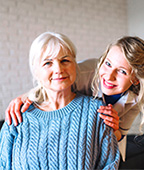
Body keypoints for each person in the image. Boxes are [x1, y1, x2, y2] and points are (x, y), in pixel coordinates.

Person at [5, 36, 144, 161]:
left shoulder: (138, 97)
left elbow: (121, 134)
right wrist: (25, 97)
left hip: (108, 146)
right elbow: (53, 82)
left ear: (136, 79)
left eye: (122, 72)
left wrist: (114, 128)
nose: (109, 76)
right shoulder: (83, 72)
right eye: (108, 64)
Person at [0, 32, 120, 169]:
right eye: (48, 63)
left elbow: (110, 165)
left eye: (65, 61)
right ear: (36, 71)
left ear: (75, 65)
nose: (58, 69)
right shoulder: (17, 116)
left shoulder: (97, 111)